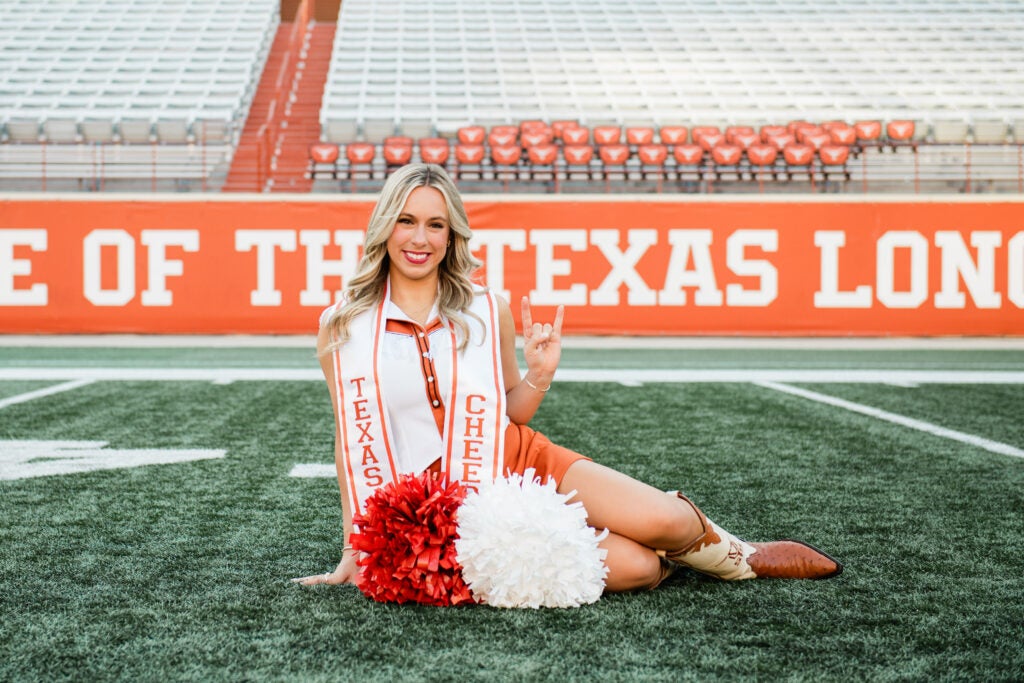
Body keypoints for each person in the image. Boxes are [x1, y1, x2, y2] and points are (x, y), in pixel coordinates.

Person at [294, 163, 841, 593]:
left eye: (435, 224)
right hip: (455, 515)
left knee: (666, 520)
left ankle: (744, 556)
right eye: (406, 220)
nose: (420, 238)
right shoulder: (342, 326)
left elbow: (512, 411)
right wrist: (353, 549)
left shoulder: (486, 308)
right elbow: (352, 444)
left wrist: (538, 374)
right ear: (384, 226)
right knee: (635, 567)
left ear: (451, 234)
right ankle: (665, 559)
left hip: (519, 463)